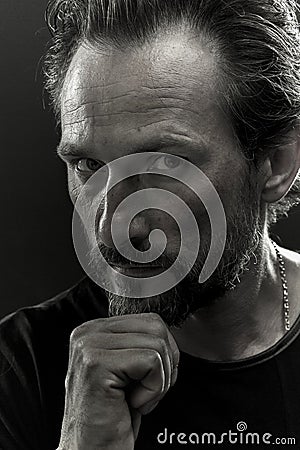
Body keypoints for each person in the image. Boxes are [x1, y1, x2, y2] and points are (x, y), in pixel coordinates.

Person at [1, 0, 300, 448]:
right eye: (87, 164)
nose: (108, 230)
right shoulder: (18, 366)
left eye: (165, 164)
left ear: (277, 162)